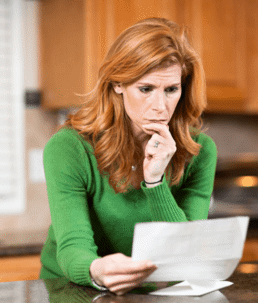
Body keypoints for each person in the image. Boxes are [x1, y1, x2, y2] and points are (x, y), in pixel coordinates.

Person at [39, 17, 217, 295]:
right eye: (145, 89)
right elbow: (74, 247)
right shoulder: (68, 147)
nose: (160, 106)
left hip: (152, 289)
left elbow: (186, 252)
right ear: (117, 84)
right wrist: (97, 270)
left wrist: (156, 181)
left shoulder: (200, 151)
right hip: (75, 288)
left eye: (171, 90)